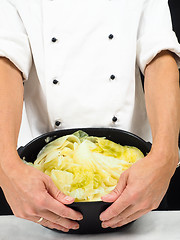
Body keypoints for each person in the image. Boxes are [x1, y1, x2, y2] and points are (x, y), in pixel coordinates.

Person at [0, 0, 180, 232]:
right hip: (37, 189)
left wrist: (165, 157)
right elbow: (5, 58)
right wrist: (6, 165)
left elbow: (159, 54)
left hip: (137, 181)